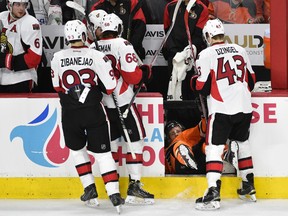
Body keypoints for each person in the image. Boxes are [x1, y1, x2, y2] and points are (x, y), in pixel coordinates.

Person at [50, 19, 124, 213]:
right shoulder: (97, 55)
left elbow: (57, 87)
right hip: (92, 110)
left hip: (70, 112)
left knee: (77, 150)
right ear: (84, 35)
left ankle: (89, 188)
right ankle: (114, 193)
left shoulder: (57, 57)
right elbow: (110, 87)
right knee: (102, 154)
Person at [190, 18, 257, 210]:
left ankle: (213, 192)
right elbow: (251, 80)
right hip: (244, 106)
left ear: (208, 36)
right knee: (242, 143)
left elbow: (201, 87)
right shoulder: (240, 49)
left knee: (214, 148)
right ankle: (248, 185)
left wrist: (193, 77)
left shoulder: (206, 53)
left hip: (222, 109)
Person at [90, 13, 154, 205]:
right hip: (123, 102)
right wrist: (144, 73)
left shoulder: (93, 47)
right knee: (134, 142)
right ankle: (134, 186)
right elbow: (132, 76)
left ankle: (113, 187)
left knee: (110, 147)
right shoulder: (122, 44)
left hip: (103, 105)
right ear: (118, 28)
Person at [0, 0, 42, 93]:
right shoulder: (1, 17)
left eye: (24, 5)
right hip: (2, 78)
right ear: (9, 4)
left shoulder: (31, 23)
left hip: (22, 78)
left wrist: (7, 61)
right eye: (18, 4)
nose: (21, 8)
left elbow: (34, 57)